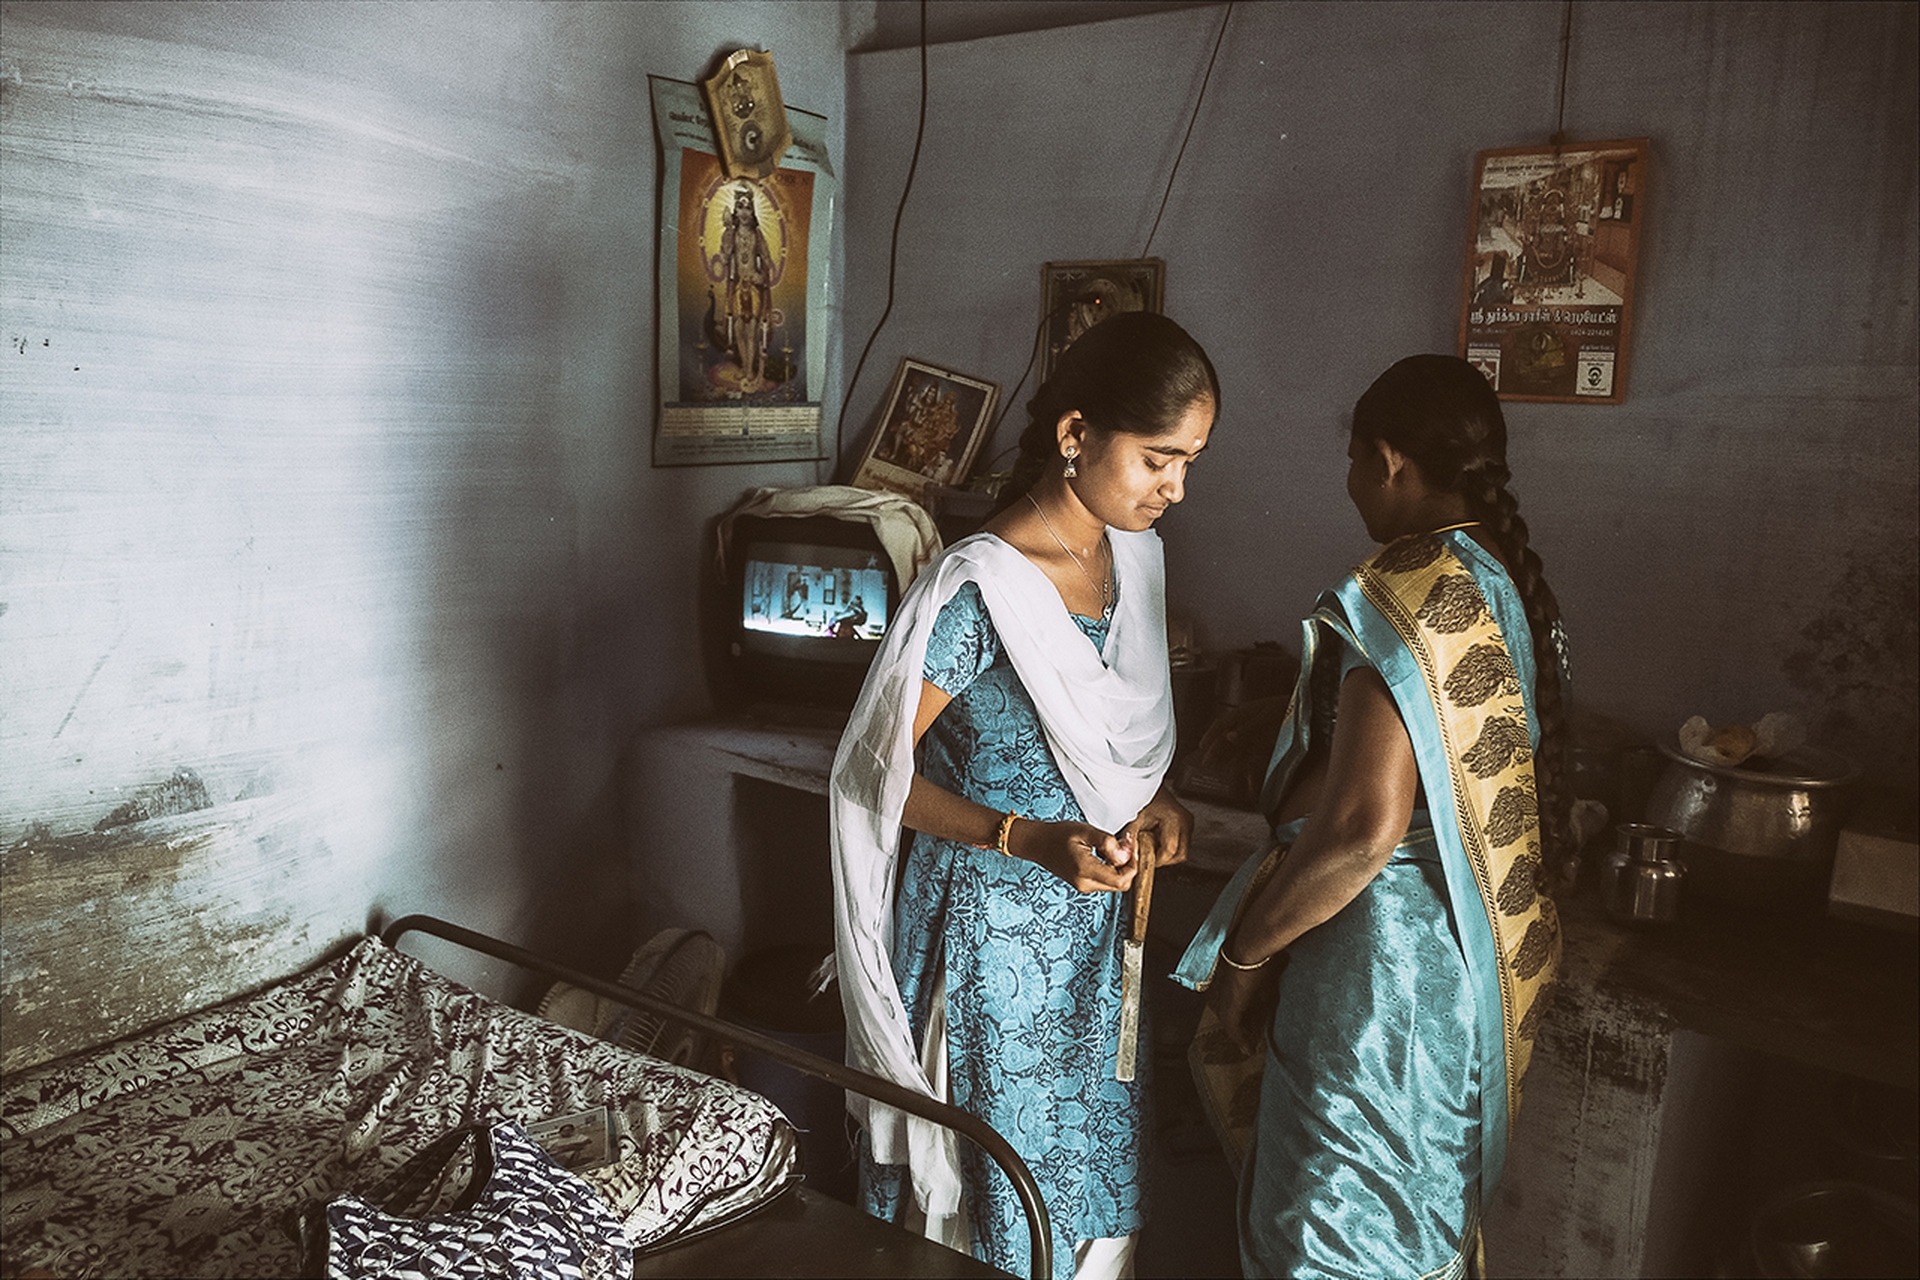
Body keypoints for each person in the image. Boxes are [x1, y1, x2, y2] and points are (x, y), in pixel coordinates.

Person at [831, 311, 1220, 1280]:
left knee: (1082, 1182)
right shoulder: (982, 588)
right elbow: (873, 774)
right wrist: (1022, 835)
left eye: (1190, 462)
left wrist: (1152, 800)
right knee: (990, 1190)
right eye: (1158, 458)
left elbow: (1112, 741)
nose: (1175, 487)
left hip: (1091, 935)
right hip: (987, 934)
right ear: (1075, 434)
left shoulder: (1131, 560)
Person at [1174, 354, 1571, 1279]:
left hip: (1378, 980)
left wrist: (1243, 957)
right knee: (1409, 1233)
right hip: (1455, 970)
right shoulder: (1494, 581)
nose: (1353, 487)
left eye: (1355, 464)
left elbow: (1359, 833)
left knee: (1334, 1237)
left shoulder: (1406, 593)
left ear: (1388, 461)